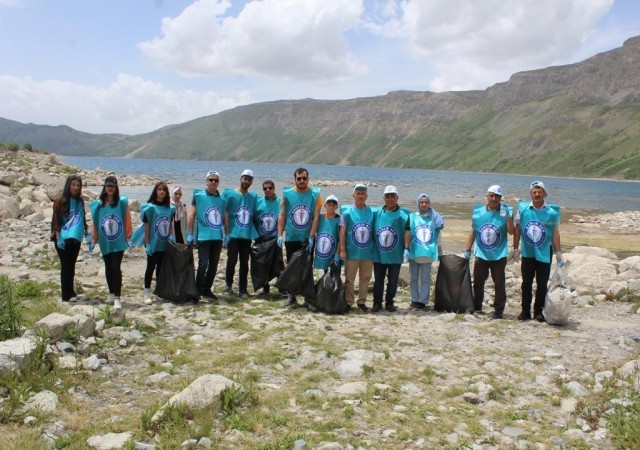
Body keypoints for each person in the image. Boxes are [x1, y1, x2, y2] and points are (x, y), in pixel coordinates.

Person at [513, 181, 564, 322]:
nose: (537, 194)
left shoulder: (552, 212)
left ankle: (538, 312)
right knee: (526, 283)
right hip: (528, 252)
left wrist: (558, 252)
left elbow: (555, 233)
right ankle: (525, 311)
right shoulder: (523, 209)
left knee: (542, 283)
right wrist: (516, 248)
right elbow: (517, 230)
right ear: (530, 194)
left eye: (539, 192)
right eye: (534, 192)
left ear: (544, 194)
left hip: (544, 252)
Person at [464, 185, 514, 319]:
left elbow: (511, 231)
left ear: (500, 198)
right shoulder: (478, 212)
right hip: (481, 253)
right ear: (487, 196)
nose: (494, 199)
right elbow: (474, 231)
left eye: (497, 196)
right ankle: (477, 306)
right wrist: (468, 249)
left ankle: (499, 310)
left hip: (499, 254)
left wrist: (508, 217)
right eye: (491, 195)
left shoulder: (505, 212)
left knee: (499, 282)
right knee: (478, 281)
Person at [277, 167, 322, 307]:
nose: (302, 181)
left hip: (306, 238)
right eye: (299, 178)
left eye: (304, 178)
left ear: (308, 179)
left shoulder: (315, 194)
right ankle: (291, 295)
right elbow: (282, 215)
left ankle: (308, 297)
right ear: (295, 179)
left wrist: (312, 235)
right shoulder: (287, 194)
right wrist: (279, 234)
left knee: (307, 267)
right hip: (291, 236)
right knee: (291, 267)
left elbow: (315, 217)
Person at [90, 175, 133, 309]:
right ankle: (111, 292)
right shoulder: (99, 205)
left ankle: (117, 298)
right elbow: (96, 223)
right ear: (105, 187)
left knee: (115, 266)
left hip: (118, 241)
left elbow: (127, 220)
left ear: (116, 188)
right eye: (108, 186)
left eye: (112, 186)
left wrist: (128, 237)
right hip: (105, 241)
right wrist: (94, 238)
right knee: (108, 266)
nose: (110, 188)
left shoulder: (121, 203)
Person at [187, 170, 226, 301]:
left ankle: (207, 289)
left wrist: (227, 233)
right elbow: (191, 214)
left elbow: (225, 216)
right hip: (203, 236)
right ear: (206, 181)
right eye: (211, 180)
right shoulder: (198, 195)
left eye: (216, 180)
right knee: (203, 264)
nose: (213, 182)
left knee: (214, 265)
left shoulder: (222, 199)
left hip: (217, 237)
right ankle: (197, 291)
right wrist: (190, 233)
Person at [372, 186, 410, 312]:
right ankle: (377, 303)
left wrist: (406, 248)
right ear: (384, 198)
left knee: (393, 281)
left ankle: (389, 302)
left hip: (395, 254)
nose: (390, 199)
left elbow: (408, 231)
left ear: (397, 198)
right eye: (387, 196)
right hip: (379, 254)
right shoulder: (376, 213)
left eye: (392, 196)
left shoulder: (404, 215)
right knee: (378, 280)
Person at [51, 174, 88, 302]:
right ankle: (65, 295)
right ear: (68, 185)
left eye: (78, 185)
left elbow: (82, 217)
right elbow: (55, 220)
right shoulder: (60, 201)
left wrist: (86, 232)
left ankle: (71, 291)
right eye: (73, 185)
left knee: (71, 265)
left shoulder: (80, 201)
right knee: (65, 266)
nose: (76, 188)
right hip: (62, 238)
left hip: (75, 238)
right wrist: (58, 236)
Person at [339, 183, 375, 312]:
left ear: (366, 196)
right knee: (349, 278)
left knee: (365, 278)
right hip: (351, 252)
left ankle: (362, 301)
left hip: (367, 253)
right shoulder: (347, 212)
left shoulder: (372, 212)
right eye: (358, 193)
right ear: (353, 195)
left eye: (363, 193)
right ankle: (349, 301)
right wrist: (342, 249)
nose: (360, 196)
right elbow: (342, 231)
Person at [223, 169, 258, 298]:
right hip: (233, 234)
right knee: (232, 260)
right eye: (245, 178)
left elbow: (258, 212)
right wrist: (225, 232)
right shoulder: (229, 194)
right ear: (240, 179)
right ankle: (228, 284)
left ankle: (243, 289)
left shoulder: (252, 197)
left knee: (244, 262)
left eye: (249, 179)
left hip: (246, 235)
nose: (246, 181)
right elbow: (223, 211)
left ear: (251, 182)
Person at [406, 193, 444, 310]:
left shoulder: (434, 218)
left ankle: (422, 301)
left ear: (429, 203)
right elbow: (407, 233)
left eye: (426, 202)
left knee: (425, 278)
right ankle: (414, 299)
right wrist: (406, 248)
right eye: (422, 202)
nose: (424, 204)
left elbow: (438, 238)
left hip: (427, 254)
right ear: (418, 203)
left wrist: (440, 253)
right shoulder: (412, 217)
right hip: (414, 252)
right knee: (413, 278)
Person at [142, 181, 175, 304]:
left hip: (164, 243)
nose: (161, 192)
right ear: (156, 191)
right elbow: (146, 226)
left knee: (161, 268)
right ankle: (146, 293)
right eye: (159, 189)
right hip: (152, 243)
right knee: (150, 267)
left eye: (164, 190)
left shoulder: (170, 209)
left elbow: (170, 224)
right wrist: (147, 243)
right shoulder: (150, 208)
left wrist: (171, 236)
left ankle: (159, 291)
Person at [254, 179, 282, 296]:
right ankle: (265, 288)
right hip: (262, 238)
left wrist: (281, 235)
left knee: (278, 264)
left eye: (270, 188)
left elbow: (284, 218)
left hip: (275, 238)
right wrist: (256, 234)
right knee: (262, 264)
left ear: (274, 188)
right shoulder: (259, 202)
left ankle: (282, 288)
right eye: (265, 188)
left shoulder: (280, 202)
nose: (268, 190)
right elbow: (253, 218)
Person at [314, 195, 341, 272]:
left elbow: (340, 239)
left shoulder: (339, 220)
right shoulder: (320, 218)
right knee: (325, 272)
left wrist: (337, 253)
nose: (331, 207)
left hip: (334, 252)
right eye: (329, 205)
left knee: (335, 273)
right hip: (323, 252)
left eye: (333, 205)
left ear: (336, 207)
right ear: (325, 205)